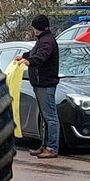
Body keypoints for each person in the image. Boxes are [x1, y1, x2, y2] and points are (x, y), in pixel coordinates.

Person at [15, 14, 61, 159]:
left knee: (50, 117)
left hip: (45, 84)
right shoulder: (43, 39)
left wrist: (29, 62)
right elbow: (34, 53)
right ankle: (45, 145)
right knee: (45, 116)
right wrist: (24, 56)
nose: (33, 30)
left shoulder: (47, 41)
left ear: (38, 28)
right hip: (40, 83)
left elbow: (41, 56)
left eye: (34, 27)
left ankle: (52, 147)